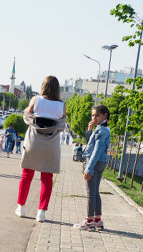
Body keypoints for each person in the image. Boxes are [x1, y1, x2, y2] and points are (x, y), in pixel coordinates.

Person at [14, 76, 66, 222]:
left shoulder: (36, 99)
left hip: (34, 142)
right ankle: (41, 212)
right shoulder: (62, 105)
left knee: (27, 175)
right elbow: (62, 124)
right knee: (47, 178)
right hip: (51, 145)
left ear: (43, 86)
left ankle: (21, 207)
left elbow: (27, 115)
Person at [77, 105, 111, 231]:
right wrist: (89, 130)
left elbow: (96, 151)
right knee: (95, 191)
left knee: (90, 192)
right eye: (93, 115)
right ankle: (98, 220)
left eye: (97, 115)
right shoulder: (102, 128)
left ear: (104, 115)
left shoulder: (101, 131)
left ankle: (89, 221)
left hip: (95, 162)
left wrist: (89, 169)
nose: (94, 118)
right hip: (100, 162)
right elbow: (89, 145)